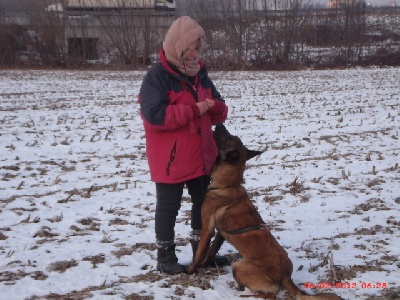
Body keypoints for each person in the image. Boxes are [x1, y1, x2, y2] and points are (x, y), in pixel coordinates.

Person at [139, 16, 229, 274]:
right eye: (191, 48)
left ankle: (203, 254)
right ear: (178, 46)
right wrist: (192, 110)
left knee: (204, 206)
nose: (195, 54)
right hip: (171, 159)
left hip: (202, 154)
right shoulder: (157, 77)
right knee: (168, 207)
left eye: (198, 48)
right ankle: (165, 258)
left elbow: (220, 112)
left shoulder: (200, 73)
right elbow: (154, 116)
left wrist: (215, 107)